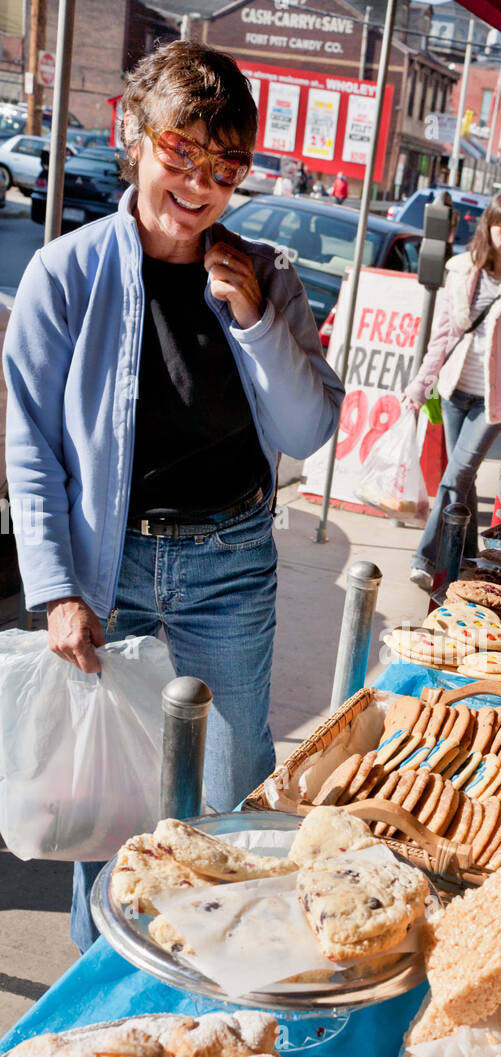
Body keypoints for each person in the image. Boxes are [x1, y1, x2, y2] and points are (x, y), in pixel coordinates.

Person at [2, 40, 344, 951]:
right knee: (111, 814)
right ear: (135, 137)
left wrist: (253, 321)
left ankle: (211, 985)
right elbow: (30, 444)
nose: (199, 183)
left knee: (229, 802)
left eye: (226, 164)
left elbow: (309, 432)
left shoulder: (264, 276)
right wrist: (57, 590)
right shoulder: (65, 274)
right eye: (180, 151)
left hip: (229, 569)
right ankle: (100, 1003)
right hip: (109, 571)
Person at [403, 191, 501, 589]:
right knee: (466, 480)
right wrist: (422, 384)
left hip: (497, 402)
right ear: (488, 226)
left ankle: (426, 557)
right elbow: (441, 336)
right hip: (456, 390)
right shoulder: (460, 271)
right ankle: (469, 553)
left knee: (453, 479)